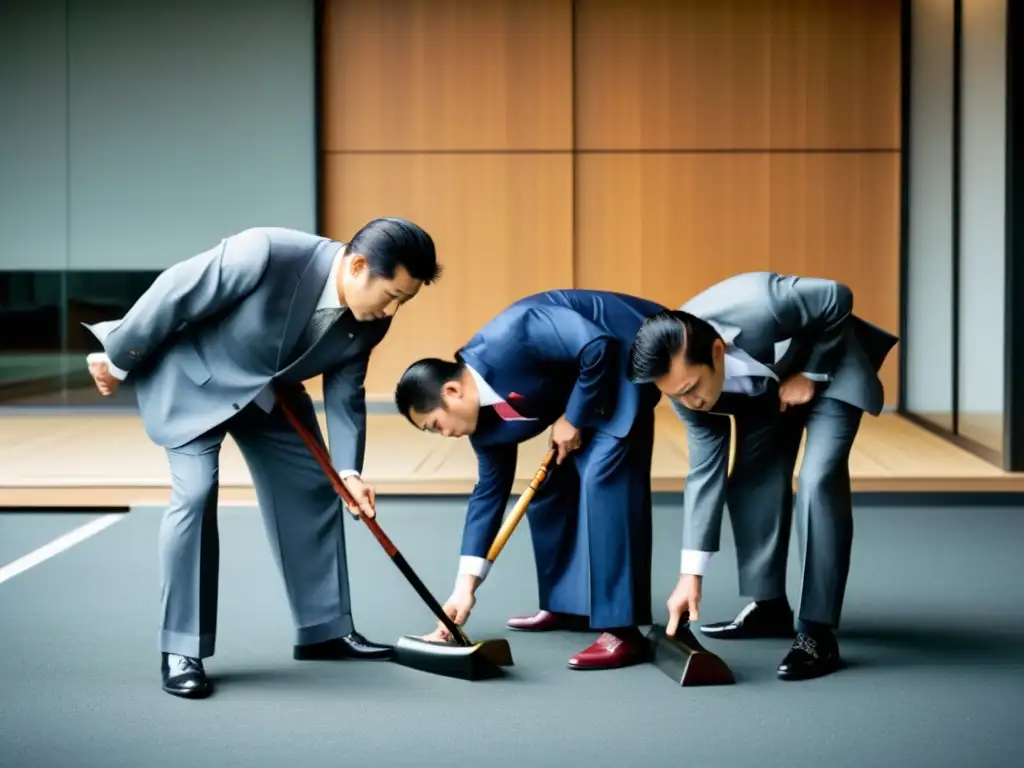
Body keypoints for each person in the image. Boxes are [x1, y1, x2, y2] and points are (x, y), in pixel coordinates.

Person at [84, 219, 441, 698]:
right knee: (195, 494)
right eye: (391, 294)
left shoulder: (373, 316)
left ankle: (324, 630)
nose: (392, 309)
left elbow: (344, 390)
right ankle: (181, 648)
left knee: (317, 485)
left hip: (268, 394)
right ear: (358, 266)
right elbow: (175, 292)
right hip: (193, 380)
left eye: (405, 300)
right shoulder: (266, 252)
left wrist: (350, 472)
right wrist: (118, 358)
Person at [627, 272, 897, 681]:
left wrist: (810, 373)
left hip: (829, 371)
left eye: (691, 387)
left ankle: (817, 633)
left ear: (717, 351)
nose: (689, 402)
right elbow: (704, 473)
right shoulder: (687, 395)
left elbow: (837, 296)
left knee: (817, 481)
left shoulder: (763, 302)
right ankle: (769, 607)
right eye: (676, 395)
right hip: (768, 395)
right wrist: (690, 576)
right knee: (752, 478)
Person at [394, 290, 666, 670]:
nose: (445, 435)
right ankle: (567, 604)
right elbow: (487, 497)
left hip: (630, 346)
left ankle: (622, 630)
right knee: (552, 486)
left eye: (437, 425)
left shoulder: (514, 333)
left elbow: (597, 346)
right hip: (586, 384)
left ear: (452, 391)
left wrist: (572, 418)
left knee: (604, 476)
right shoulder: (483, 432)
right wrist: (463, 589)